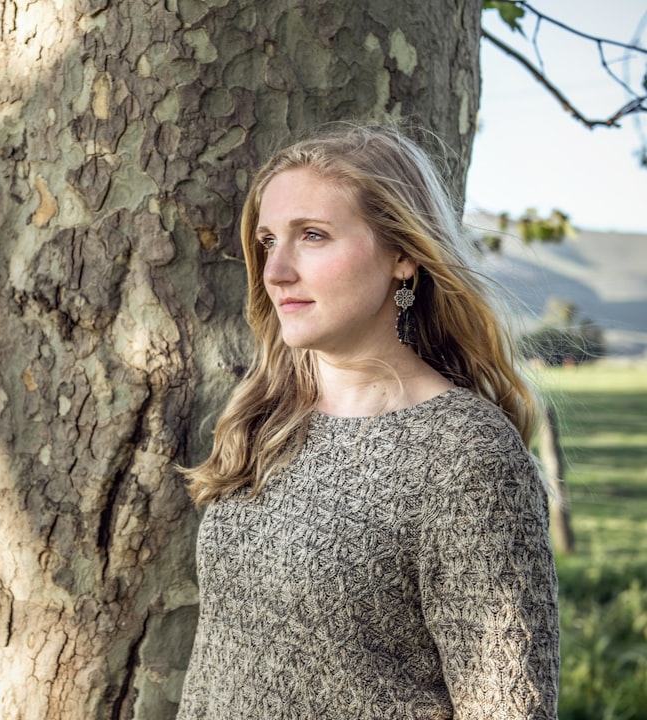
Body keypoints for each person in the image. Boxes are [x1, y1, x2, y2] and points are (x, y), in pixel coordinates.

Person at [177, 123, 560, 719]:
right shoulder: (268, 420)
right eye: (268, 240)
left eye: (312, 236)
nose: (275, 271)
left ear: (403, 255)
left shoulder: (466, 455)